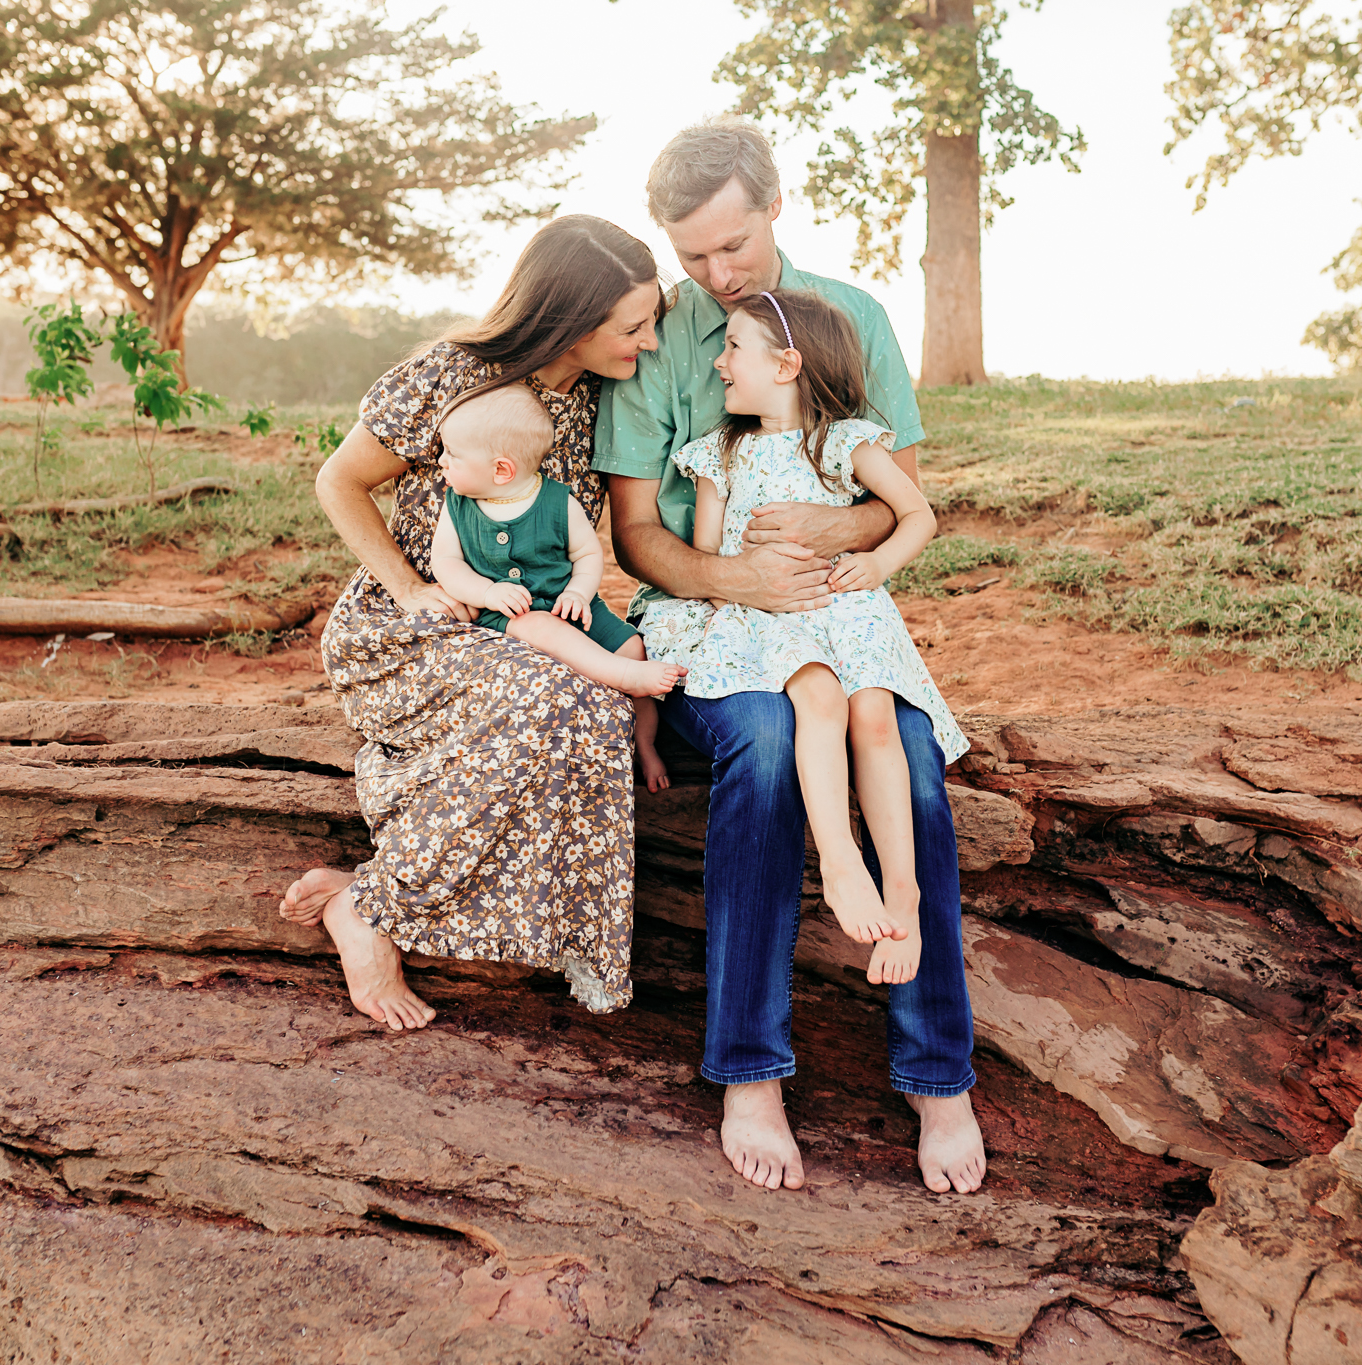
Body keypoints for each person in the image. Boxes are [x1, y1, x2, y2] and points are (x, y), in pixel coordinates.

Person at [594, 119, 987, 1195]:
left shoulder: (849, 317)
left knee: (905, 756)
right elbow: (640, 532)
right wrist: (739, 584)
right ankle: (751, 1069)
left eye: (733, 247)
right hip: (710, 631)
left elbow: (885, 503)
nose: (716, 276)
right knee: (765, 746)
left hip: (829, 623)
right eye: (692, 257)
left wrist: (824, 538)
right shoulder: (661, 342)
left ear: (774, 206)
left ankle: (935, 1071)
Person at [278, 214, 664, 1028]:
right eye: (634, 325)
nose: (651, 341)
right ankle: (369, 910)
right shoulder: (451, 376)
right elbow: (339, 482)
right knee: (557, 701)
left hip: (524, 627)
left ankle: (578, 949)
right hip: (411, 629)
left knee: (596, 707)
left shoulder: (605, 402)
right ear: (572, 319)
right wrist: (412, 587)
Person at [640, 289, 967, 985]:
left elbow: (917, 514)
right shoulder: (718, 456)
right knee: (818, 698)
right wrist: (740, 568)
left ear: (786, 364)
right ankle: (843, 861)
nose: (720, 364)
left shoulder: (846, 441)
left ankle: (903, 888)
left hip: (844, 607)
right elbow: (709, 560)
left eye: (733, 349)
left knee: (875, 717)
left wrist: (875, 562)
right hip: (768, 616)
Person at [427, 384, 683, 792]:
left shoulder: (558, 502)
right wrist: (487, 593)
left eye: (452, 454)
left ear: (501, 470)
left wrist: (580, 593)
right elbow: (446, 564)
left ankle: (645, 743)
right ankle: (624, 677)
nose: (440, 461)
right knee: (544, 628)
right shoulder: (457, 506)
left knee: (633, 645)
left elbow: (587, 555)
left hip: (572, 603)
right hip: (511, 615)